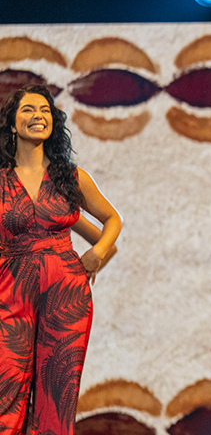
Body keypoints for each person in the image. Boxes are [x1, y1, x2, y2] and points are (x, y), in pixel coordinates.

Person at [0, 84, 123, 433]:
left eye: (44, 111)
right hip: (10, 292)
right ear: (12, 124)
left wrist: (97, 255)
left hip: (65, 294)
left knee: (57, 392)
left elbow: (111, 223)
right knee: (6, 383)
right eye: (28, 110)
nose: (38, 116)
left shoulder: (69, 179)